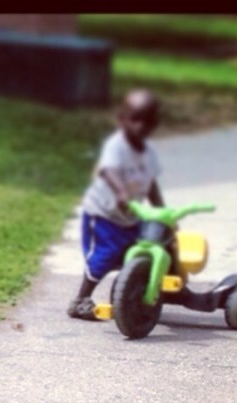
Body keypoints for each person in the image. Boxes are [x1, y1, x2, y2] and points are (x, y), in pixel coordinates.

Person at [67, 88, 165, 320]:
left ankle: (150, 284)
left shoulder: (149, 152)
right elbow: (108, 170)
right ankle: (80, 299)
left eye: (148, 121)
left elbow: (151, 183)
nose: (141, 126)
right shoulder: (116, 146)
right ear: (122, 119)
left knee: (156, 239)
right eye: (135, 119)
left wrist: (161, 210)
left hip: (130, 216)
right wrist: (121, 192)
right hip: (104, 215)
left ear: (155, 124)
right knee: (105, 255)